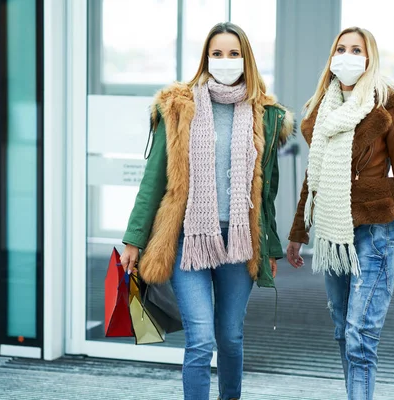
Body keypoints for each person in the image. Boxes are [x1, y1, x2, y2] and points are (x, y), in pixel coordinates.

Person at [119, 22, 294, 400]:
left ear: (246, 60)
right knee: (200, 340)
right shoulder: (180, 106)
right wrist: (134, 239)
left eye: (233, 54)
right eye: (217, 53)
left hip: (241, 242)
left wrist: (272, 247)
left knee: (230, 337)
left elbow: (268, 191)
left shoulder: (265, 114)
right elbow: (153, 181)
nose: (225, 61)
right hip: (189, 240)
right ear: (206, 57)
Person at [286, 27, 394, 400]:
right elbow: (316, 173)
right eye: (341, 48)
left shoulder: (388, 100)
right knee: (343, 330)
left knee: (360, 334)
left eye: (357, 49)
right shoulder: (324, 104)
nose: (348, 55)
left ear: (370, 57)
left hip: (374, 232)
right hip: (332, 231)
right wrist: (297, 233)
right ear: (332, 56)